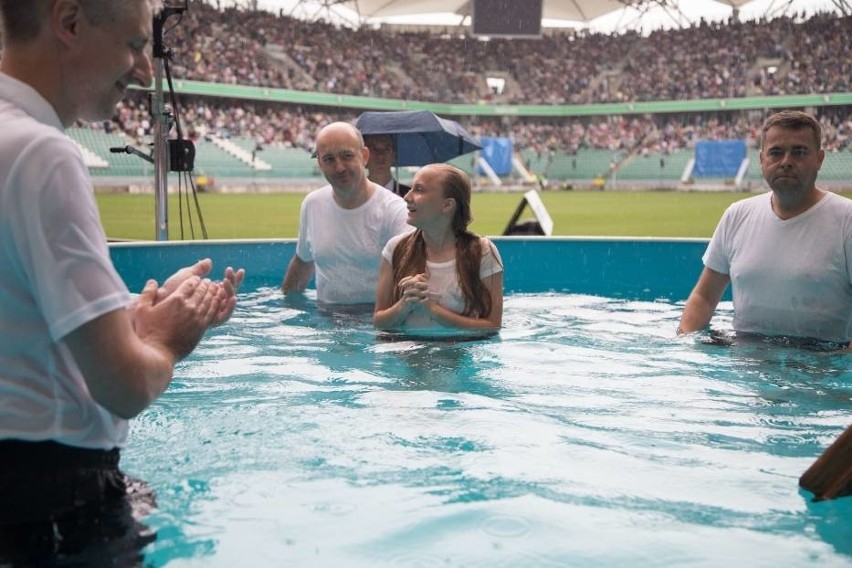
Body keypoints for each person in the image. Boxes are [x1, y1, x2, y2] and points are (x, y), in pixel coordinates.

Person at [0, 0, 244, 562]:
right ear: (69, 23)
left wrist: (133, 312)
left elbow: (21, 320)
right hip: (53, 505)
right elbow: (125, 386)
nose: (144, 71)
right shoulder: (43, 155)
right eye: (134, 46)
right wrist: (167, 339)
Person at [677, 110, 852, 348]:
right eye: (776, 152)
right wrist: (684, 345)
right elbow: (704, 297)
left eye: (799, 152)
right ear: (762, 159)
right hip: (748, 373)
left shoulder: (846, 220)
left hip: (822, 372)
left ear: (819, 159)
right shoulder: (737, 215)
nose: (786, 161)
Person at [281, 122, 410, 307]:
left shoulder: (394, 210)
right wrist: (285, 307)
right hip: (326, 319)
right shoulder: (312, 204)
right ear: (320, 163)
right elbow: (302, 262)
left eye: (347, 156)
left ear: (364, 156)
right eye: (329, 159)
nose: (339, 167)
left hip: (376, 323)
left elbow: (414, 276)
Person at [373, 163, 504, 334]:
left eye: (419, 190)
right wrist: (404, 305)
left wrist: (432, 310)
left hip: (458, 355)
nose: (407, 196)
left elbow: (492, 325)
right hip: (404, 354)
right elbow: (379, 322)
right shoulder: (395, 248)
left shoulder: (482, 252)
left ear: (447, 205)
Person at [363, 133, 410, 197]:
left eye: (387, 149)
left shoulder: (409, 196)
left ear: (394, 155)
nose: (380, 155)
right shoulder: (353, 196)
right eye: (374, 149)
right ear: (364, 155)